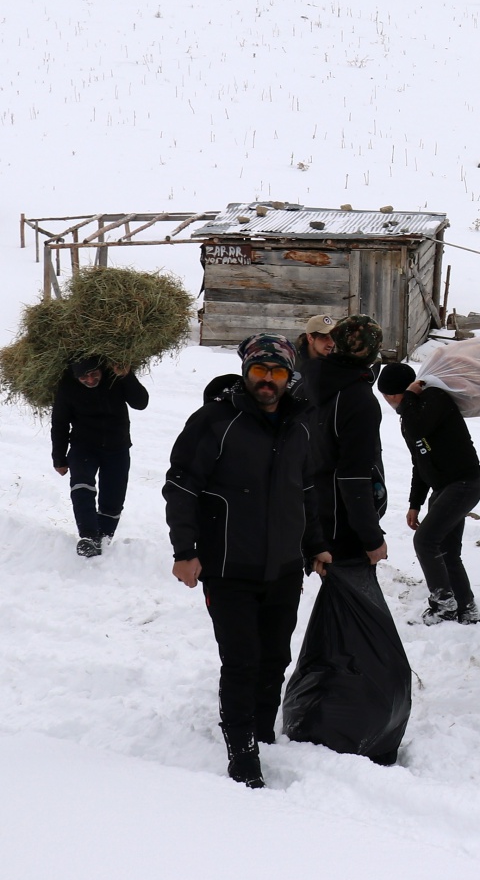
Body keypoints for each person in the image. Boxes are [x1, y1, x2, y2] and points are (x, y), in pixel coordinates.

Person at [164, 334, 319, 788]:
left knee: (275, 657)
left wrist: (318, 545)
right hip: (228, 566)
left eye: (276, 373)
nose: (267, 381)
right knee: (242, 659)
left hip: (285, 567)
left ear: (289, 378)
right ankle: (242, 752)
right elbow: (182, 487)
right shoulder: (215, 420)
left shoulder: (300, 424)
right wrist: (185, 552)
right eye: (259, 372)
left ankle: (261, 731)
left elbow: (307, 490)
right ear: (246, 372)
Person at [376, 362, 480, 625]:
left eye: (390, 396)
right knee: (446, 549)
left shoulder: (434, 400)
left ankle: (443, 605)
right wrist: (415, 504)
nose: (390, 402)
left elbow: (418, 429)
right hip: (446, 487)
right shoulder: (412, 413)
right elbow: (419, 461)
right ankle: (466, 607)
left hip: (464, 484)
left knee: (425, 542)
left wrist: (410, 396)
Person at [304, 315, 389, 574]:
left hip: (319, 514)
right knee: (354, 607)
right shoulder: (357, 399)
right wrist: (371, 537)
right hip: (345, 526)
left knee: (340, 605)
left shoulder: (312, 382)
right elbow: (353, 474)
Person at [51, 355, 150, 557]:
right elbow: (59, 423)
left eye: (94, 374)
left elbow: (141, 403)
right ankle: (88, 536)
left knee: (113, 497)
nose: (89, 380)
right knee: (82, 487)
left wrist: (127, 376)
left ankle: (103, 538)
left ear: (102, 370)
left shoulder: (115, 378)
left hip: (117, 447)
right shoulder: (67, 386)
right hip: (83, 445)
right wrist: (59, 458)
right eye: (83, 377)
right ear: (75, 375)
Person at [292, 314, 337, 398]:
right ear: (310, 338)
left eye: (333, 337)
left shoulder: (336, 365)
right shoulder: (291, 360)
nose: (331, 343)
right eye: (325, 337)